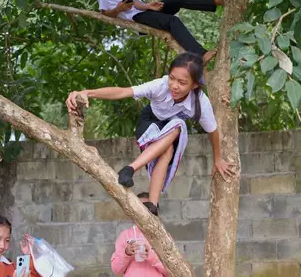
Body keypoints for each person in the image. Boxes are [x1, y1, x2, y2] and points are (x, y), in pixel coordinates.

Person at [66, 52, 236, 215]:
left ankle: (152, 205)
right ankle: (130, 169)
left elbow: (212, 131)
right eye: (172, 78)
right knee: (177, 126)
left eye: (182, 83)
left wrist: (218, 158)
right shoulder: (160, 86)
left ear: (194, 85)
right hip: (149, 123)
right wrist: (88, 92)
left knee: (174, 135)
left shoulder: (200, 103)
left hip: (171, 130)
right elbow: (123, 91)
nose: (174, 86)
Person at [96, 0, 226, 64]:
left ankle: (215, 1)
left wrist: (149, 5)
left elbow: (136, 3)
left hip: (146, 12)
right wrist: (118, 9)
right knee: (172, 21)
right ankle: (201, 55)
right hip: (137, 18)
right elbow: (105, 13)